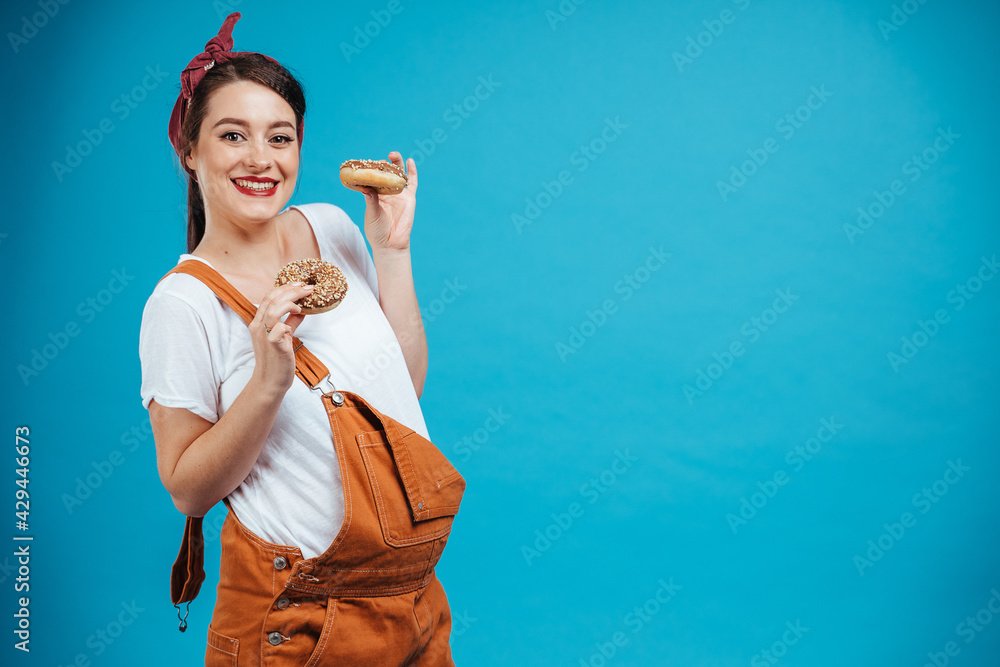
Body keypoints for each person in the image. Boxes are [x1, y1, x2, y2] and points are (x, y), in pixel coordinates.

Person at [138, 13, 464, 666]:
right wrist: (268, 384)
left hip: (412, 598)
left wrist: (390, 251)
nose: (261, 158)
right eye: (233, 135)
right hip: (296, 616)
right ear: (190, 151)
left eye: (280, 137)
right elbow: (187, 488)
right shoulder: (182, 302)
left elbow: (404, 389)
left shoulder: (333, 226)